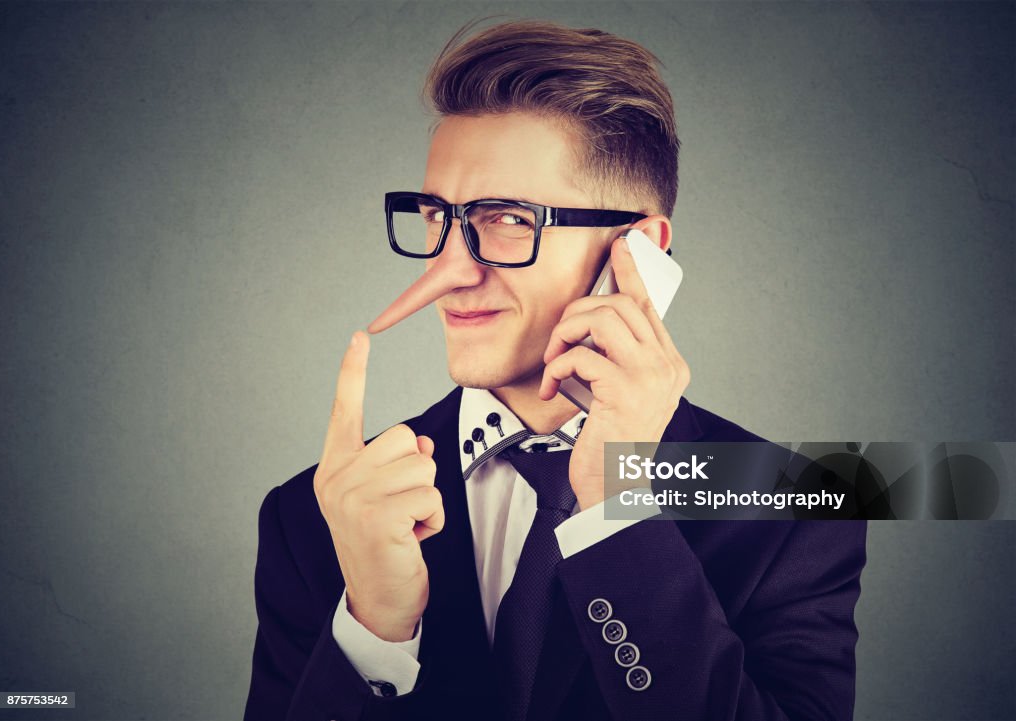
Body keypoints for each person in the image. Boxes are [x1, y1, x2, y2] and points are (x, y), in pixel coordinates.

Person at [244, 19, 867, 721]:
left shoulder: (790, 511)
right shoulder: (320, 516)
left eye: (507, 217)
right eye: (433, 216)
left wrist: (615, 511)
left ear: (637, 250)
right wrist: (373, 632)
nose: (447, 270)